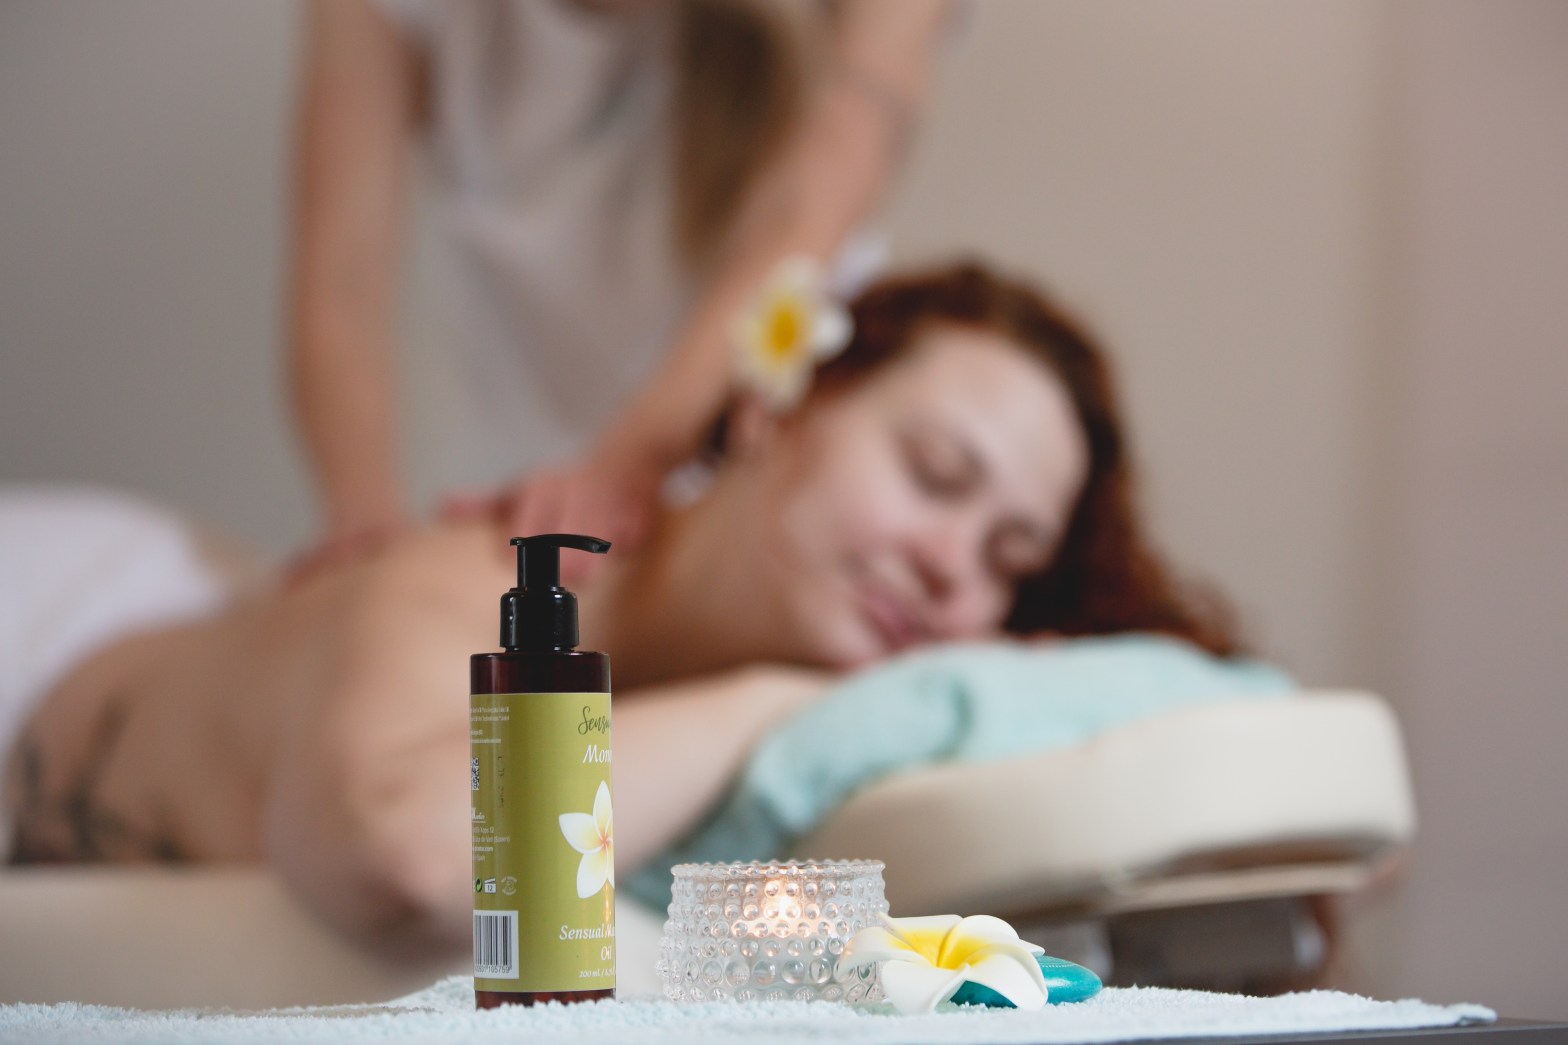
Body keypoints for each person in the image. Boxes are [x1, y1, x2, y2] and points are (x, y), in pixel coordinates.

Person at [4, 262, 1235, 957]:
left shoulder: (786, 774)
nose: (952, 566)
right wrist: (769, 698)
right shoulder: (477, 582)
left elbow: (752, 931)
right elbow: (413, 857)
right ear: (768, 413)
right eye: (933, 474)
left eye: (1009, 558)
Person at [288, 0, 954, 582]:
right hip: (542, 453)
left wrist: (629, 463)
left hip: (759, 438)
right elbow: (343, 284)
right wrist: (362, 517)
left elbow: (814, 205)